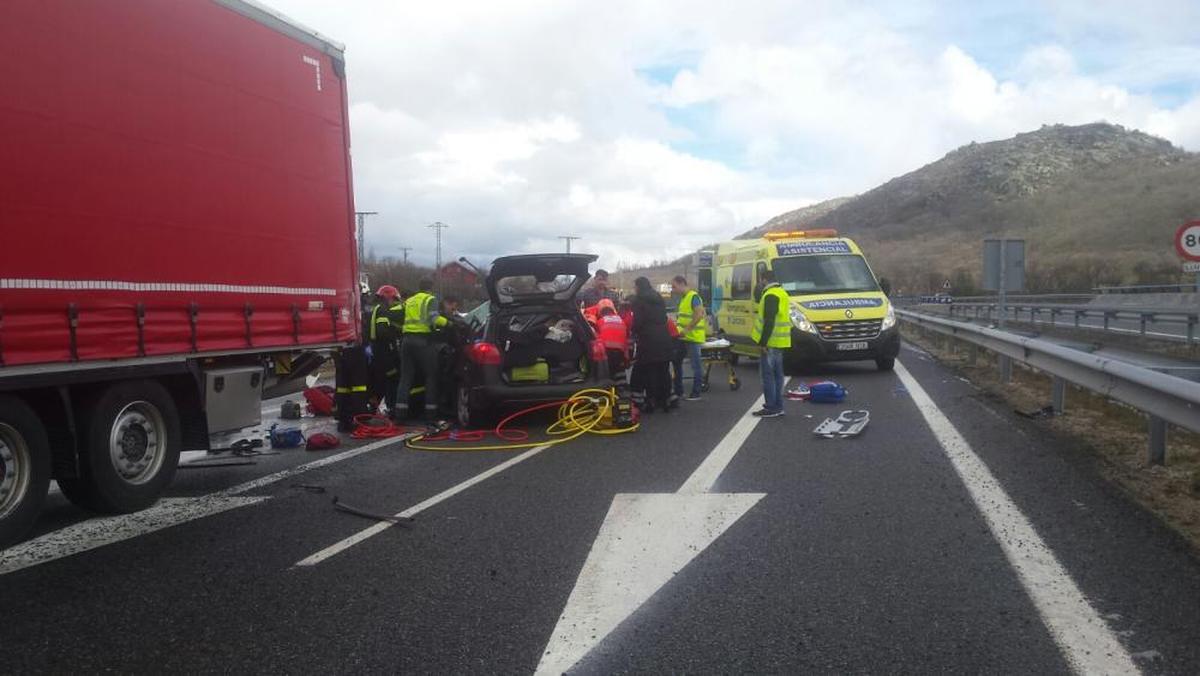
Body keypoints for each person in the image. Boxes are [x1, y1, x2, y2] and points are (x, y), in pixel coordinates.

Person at [394, 279, 449, 422]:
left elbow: (397, 314)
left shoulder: (410, 300)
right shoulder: (430, 299)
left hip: (406, 341)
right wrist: (449, 323)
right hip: (423, 341)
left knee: (406, 377)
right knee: (431, 375)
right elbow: (433, 318)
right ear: (431, 288)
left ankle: (400, 414)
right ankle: (431, 413)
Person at [629, 276, 675, 413]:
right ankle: (667, 400)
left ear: (638, 286)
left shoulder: (638, 300)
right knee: (663, 370)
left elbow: (638, 322)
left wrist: (633, 331)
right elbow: (664, 317)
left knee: (649, 371)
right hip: (664, 337)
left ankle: (651, 401)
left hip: (648, 339)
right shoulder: (659, 298)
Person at [752, 268, 791, 418]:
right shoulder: (782, 293)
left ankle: (771, 407)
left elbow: (769, 320)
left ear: (764, 280)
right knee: (778, 376)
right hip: (780, 341)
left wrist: (763, 342)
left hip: (770, 342)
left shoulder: (770, 295)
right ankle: (778, 406)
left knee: (768, 376)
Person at [367, 285, 404, 413]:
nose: (394, 303)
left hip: (376, 349)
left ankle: (373, 405)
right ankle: (392, 408)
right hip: (382, 350)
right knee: (392, 378)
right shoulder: (383, 310)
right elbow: (382, 331)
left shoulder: (375, 308)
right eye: (394, 300)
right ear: (388, 297)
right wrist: (396, 334)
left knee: (381, 380)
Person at [671, 275, 706, 401]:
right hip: (683, 337)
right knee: (676, 362)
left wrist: (687, 329)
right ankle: (678, 391)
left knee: (696, 365)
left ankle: (696, 392)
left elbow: (699, 314)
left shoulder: (693, 297)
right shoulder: (684, 298)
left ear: (682, 284)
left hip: (693, 338)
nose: (673, 290)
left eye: (674, 286)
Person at [595, 298, 629, 384]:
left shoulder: (600, 321)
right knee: (619, 373)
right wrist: (627, 358)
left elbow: (595, 338)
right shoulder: (621, 320)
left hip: (606, 352)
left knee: (607, 375)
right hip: (620, 352)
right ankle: (621, 389)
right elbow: (626, 339)